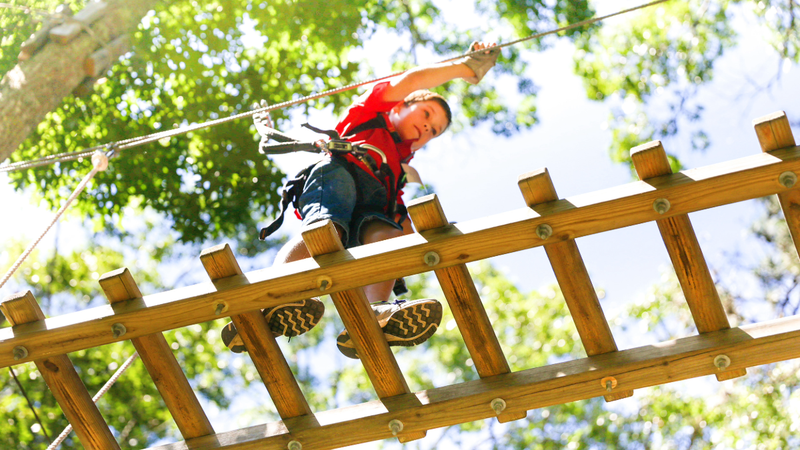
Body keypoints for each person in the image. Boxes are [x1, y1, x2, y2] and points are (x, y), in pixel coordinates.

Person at [222, 42, 499, 358]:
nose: (427, 127)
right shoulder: (369, 113)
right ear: (398, 107)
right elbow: (408, 83)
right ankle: (271, 297)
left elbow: (402, 222)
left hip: (372, 204)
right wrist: (465, 68)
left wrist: (434, 239)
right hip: (338, 173)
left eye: (433, 131)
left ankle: (375, 313)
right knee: (328, 230)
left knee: (388, 236)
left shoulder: (396, 169)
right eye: (425, 114)